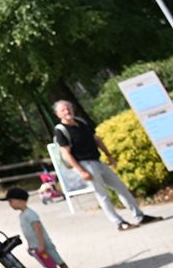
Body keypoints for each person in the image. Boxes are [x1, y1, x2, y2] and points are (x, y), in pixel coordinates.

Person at [52, 99, 161, 231]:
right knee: (102, 195)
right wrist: (81, 171)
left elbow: (96, 139)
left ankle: (140, 216)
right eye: (63, 110)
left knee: (121, 188)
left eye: (68, 108)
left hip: (97, 160)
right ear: (58, 114)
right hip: (85, 164)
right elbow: (66, 154)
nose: (67, 111)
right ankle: (119, 223)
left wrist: (108, 155)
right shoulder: (61, 130)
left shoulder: (81, 122)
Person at [0, 187, 71, 268]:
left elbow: (38, 229)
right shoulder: (22, 215)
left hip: (44, 245)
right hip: (36, 246)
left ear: (20, 200)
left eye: (11, 201)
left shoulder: (30, 214)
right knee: (50, 264)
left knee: (58, 261)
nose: (10, 204)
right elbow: (28, 233)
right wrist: (30, 245)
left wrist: (41, 244)